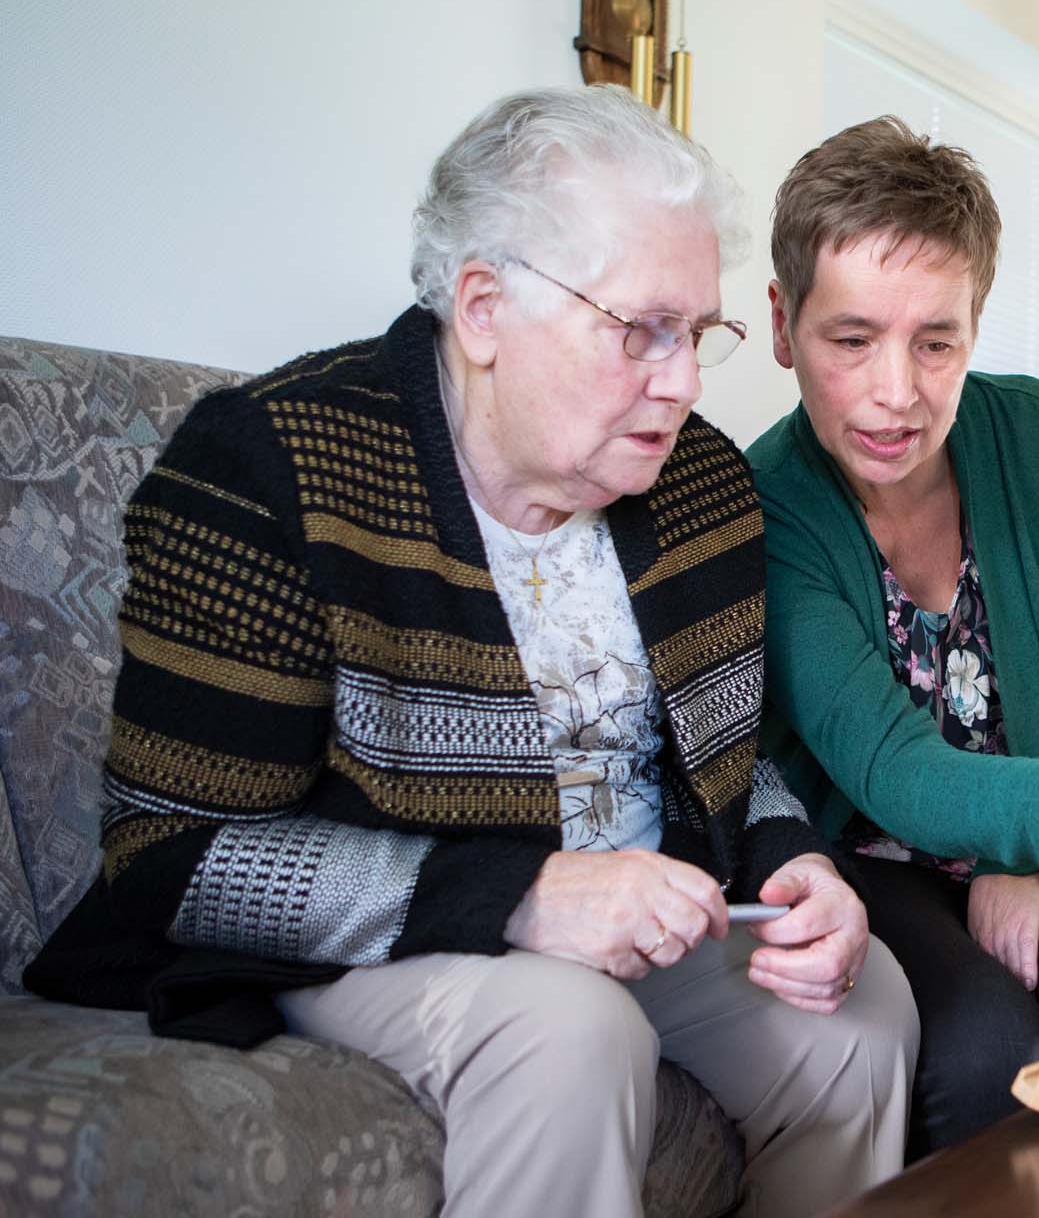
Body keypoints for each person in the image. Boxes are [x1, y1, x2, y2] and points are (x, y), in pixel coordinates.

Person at [25, 85, 916, 1217]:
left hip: (646, 915)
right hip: (376, 943)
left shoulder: (699, 485)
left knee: (860, 1004)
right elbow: (173, 852)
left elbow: (721, 751)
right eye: (640, 329)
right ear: (485, 307)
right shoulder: (268, 470)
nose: (685, 379)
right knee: (568, 1024)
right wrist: (525, 895)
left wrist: (796, 862)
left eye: (698, 333)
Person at [747, 116, 1039, 1156]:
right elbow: (889, 766)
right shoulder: (767, 502)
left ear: (977, 326)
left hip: (1027, 831)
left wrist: (1018, 858)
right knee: (983, 1049)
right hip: (868, 853)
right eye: (851, 339)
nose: (897, 391)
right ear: (781, 324)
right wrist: (1029, 822)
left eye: (936, 341)